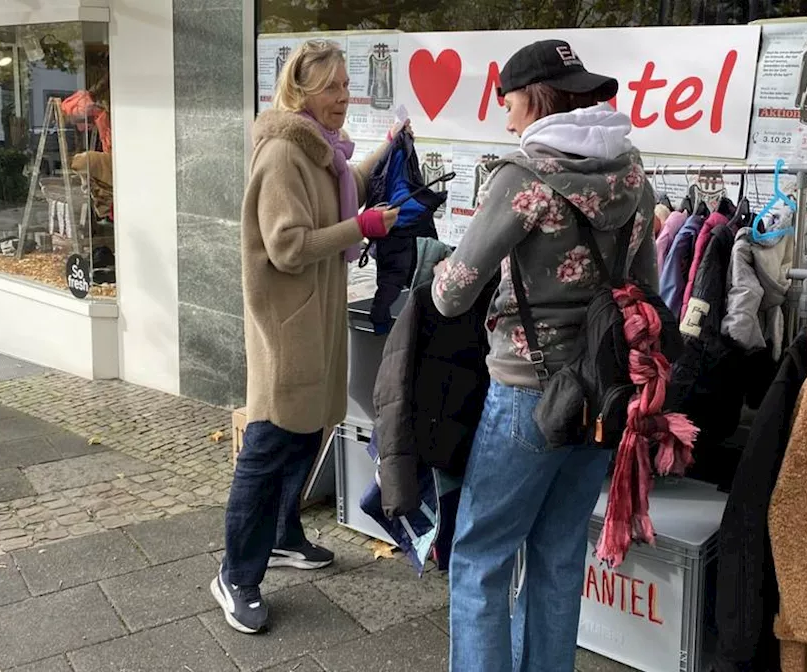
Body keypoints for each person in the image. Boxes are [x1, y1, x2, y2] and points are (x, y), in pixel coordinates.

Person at [430, 40, 659, 671]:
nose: (505, 118)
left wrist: (439, 264)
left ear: (533, 98)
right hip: (603, 394)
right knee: (558, 555)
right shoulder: (634, 174)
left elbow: (452, 297)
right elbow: (647, 290)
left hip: (527, 392)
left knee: (483, 556)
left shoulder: (523, 179)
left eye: (507, 101)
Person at [215, 38, 403, 635]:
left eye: (348, 86)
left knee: (306, 433)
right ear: (300, 91)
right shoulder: (281, 155)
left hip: (314, 320)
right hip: (287, 326)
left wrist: (388, 150)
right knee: (270, 441)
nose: (344, 97)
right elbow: (288, 245)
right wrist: (362, 226)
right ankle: (235, 577)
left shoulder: (321, 152)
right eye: (332, 88)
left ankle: (282, 536)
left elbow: (345, 180)